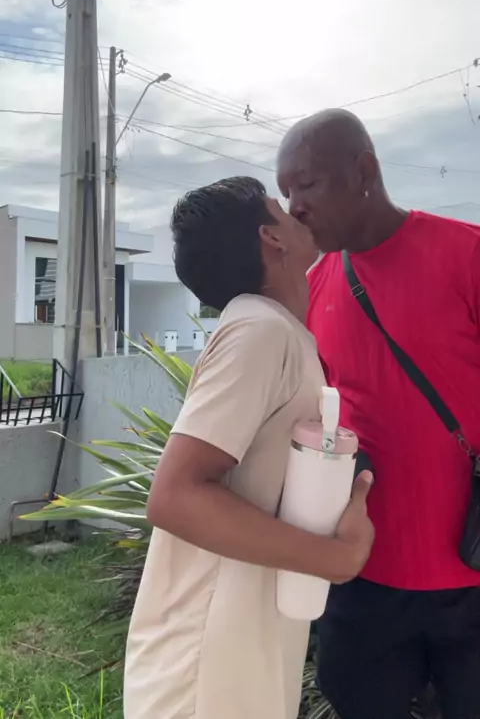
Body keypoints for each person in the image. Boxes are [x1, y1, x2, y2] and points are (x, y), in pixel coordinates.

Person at [124, 176, 374, 719]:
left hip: (235, 645)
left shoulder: (274, 330)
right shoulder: (259, 331)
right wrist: (336, 557)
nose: (297, 211)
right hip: (208, 663)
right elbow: (174, 496)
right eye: (281, 208)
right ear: (272, 238)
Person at [277, 108, 480, 719]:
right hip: (363, 581)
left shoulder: (465, 254)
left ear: (363, 171)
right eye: (285, 192)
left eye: (307, 184)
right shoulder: (313, 287)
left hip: (474, 572)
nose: (294, 207)